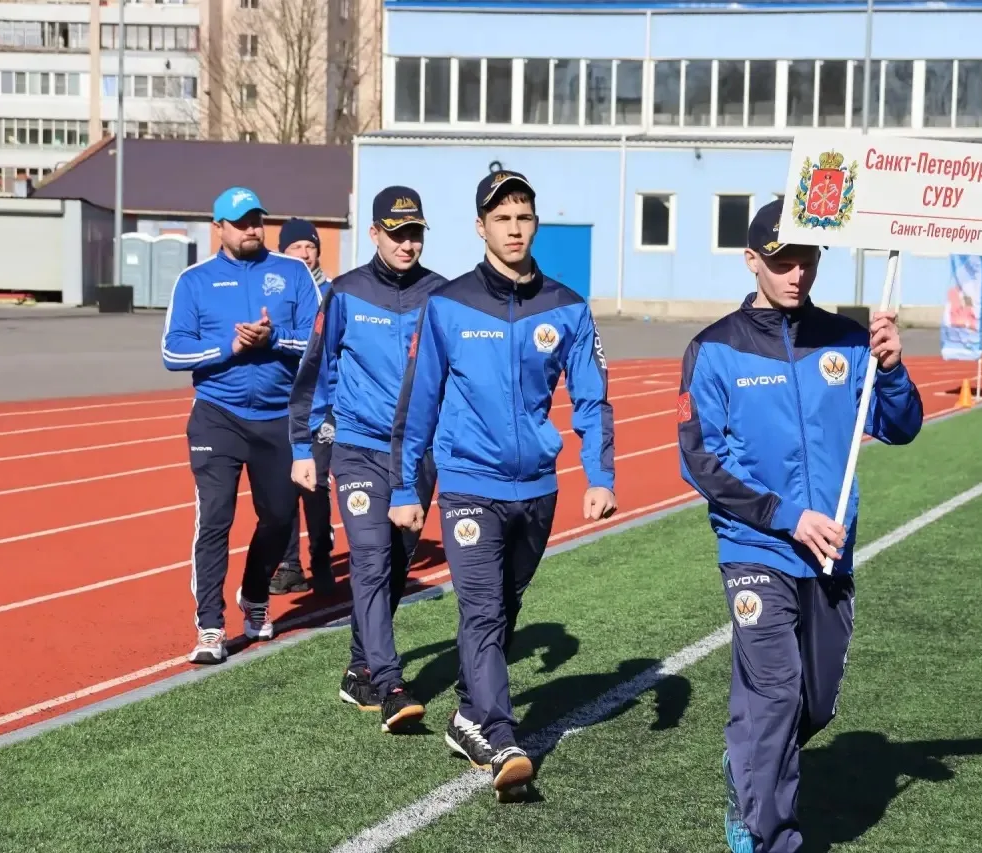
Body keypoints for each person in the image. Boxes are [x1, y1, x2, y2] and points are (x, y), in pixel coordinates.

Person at [676, 198, 924, 853]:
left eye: (807, 259)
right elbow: (700, 460)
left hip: (830, 553)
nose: (797, 273)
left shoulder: (847, 339)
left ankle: (747, 760)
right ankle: (768, 834)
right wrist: (787, 517)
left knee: (813, 704)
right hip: (756, 546)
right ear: (751, 260)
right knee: (777, 694)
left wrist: (891, 369)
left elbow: (899, 426)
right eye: (782, 260)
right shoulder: (714, 349)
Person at [388, 170, 617, 800]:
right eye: (501, 219)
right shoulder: (448, 305)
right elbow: (418, 402)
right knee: (483, 608)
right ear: (480, 227)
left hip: (537, 489)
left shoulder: (568, 307)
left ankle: (468, 714)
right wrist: (404, 489)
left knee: (506, 607)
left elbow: (592, 399)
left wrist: (599, 476)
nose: (514, 229)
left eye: (523, 217)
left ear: (534, 224)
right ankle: (500, 733)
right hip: (469, 484)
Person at [288, 187, 447, 732]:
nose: (407, 244)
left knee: (396, 566)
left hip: (417, 456)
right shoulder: (345, 293)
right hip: (358, 449)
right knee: (372, 559)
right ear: (374, 233)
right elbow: (315, 371)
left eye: (415, 233)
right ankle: (390, 683)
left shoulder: (442, 296)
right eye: (396, 233)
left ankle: (359, 666)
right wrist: (303, 447)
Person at [161, 186, 321, 665]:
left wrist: (274, 340)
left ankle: (253, 593)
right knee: (215, 518)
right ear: (218, 228)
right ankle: (210, 626)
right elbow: (172, 351)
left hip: (279, 417)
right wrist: (229, 347)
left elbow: (319, 339)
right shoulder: (194, 281)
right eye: (241, 222)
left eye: (257, 220)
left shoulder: (292, 273)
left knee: (279, 518)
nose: (252, 229)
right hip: (218, 416)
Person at [270, 217, 336, 597]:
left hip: (322, 406)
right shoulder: (276, 292)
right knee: (283, 487)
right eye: (296, 247)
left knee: (316, 484)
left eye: (310, 246)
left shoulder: (334, 293)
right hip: (281, 406)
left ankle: (321, 559)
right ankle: (290, 565)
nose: (304, 253)